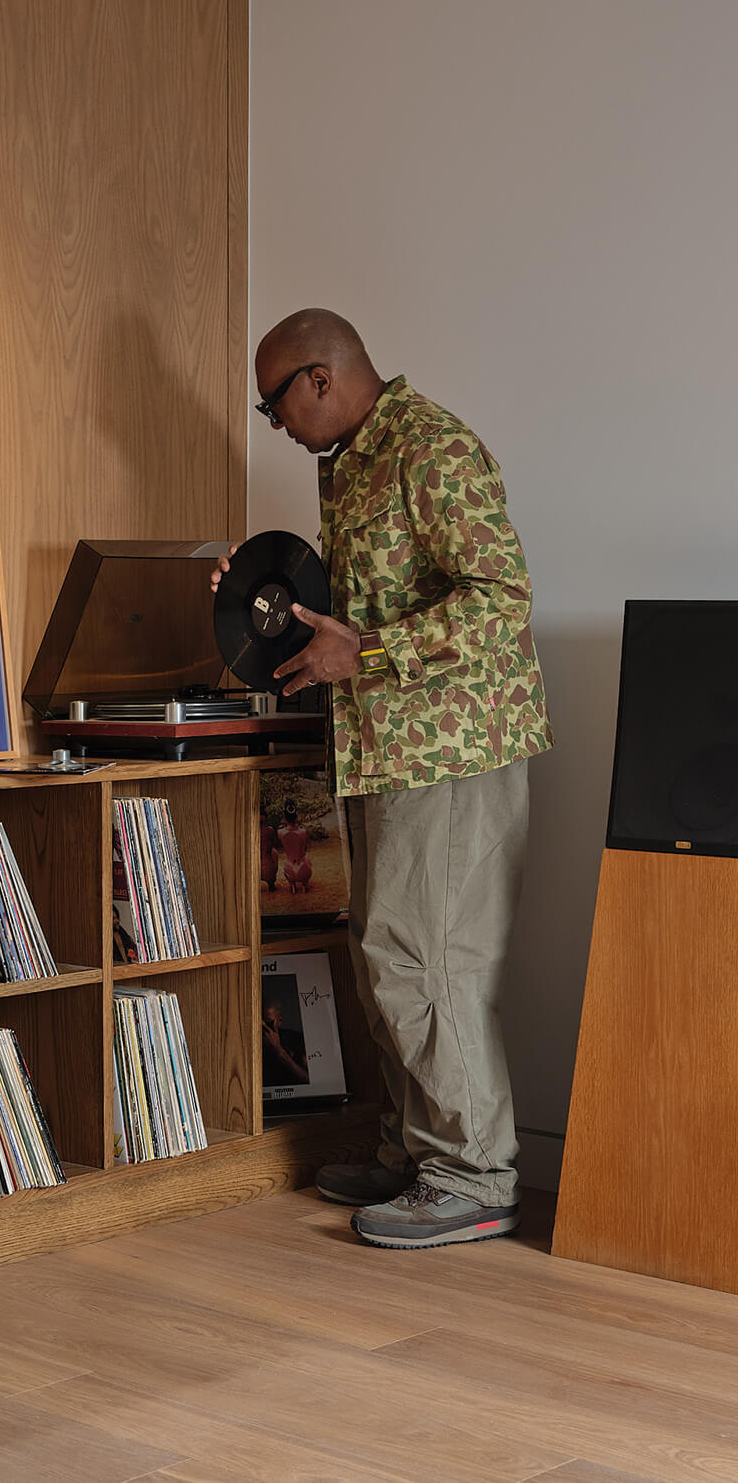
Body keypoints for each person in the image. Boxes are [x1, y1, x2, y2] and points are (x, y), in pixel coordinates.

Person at [214, 309, 552, 1249]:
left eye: (274, 399)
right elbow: (347, 624)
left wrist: (372, 654)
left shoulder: (429, 447)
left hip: (453, 754)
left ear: (320, 379)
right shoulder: (352, 461)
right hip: (384, 752)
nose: (272, 421)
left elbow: (502, 598)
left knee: (430, 963)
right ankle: (417, 1152)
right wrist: (258, 600)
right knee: (387, 958)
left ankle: (473, 1173)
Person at [278, 797, 312, 895]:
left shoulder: (280, 833)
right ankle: (304, 883)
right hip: (303, 870)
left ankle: (292, 884)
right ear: (296, 816)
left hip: (289, 871)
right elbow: (305, 849)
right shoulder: (303, 832)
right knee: (307, 858)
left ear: (284, 817)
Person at [259, 806, 282, 891]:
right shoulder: (270, 830)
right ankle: (271, 883)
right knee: (274, 853)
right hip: (267, 869)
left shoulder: (248, 831)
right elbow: (274, 843)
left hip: (252, 870)